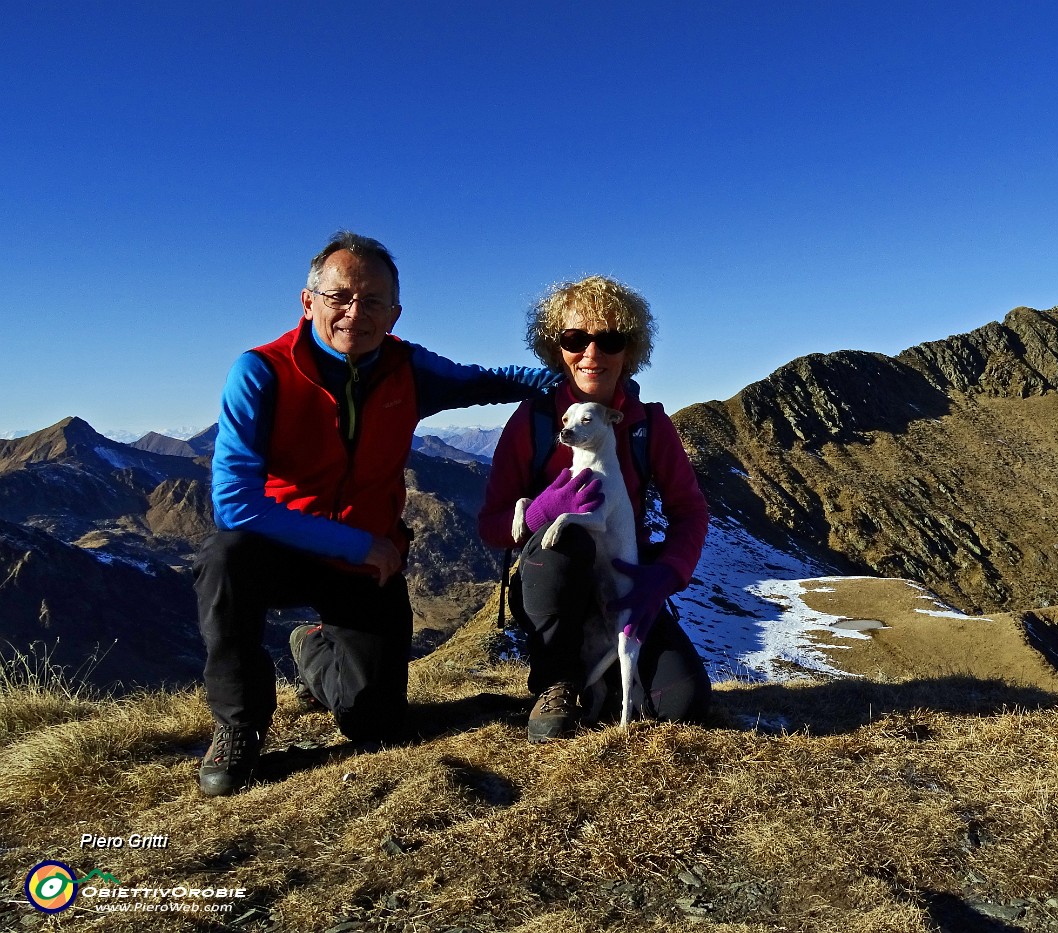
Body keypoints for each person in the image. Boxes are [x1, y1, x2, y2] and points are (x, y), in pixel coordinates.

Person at [195, 231, 557, 796]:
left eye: (373, 302)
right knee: (225, 558)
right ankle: (239, 726)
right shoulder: (261, 372)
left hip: (368, 563)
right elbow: (235, 504)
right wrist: (359, 545)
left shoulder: (409, 369)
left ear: (395, 314)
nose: (355, 313)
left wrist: (588, 375)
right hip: (294, 547)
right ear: (308, 300)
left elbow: (497, 380)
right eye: (340, 296)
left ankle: (311, 644)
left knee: (377, 726)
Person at [478, 275, 711, 742]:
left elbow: (690, 511)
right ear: (555, 346)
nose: (591, 353)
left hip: (625, 585)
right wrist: (542, 511)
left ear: (630, 350)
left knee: (683, 703)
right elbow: (491, 524)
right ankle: (556, 680)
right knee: (564, 542)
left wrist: (665, 574)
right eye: (574, 338)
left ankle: (604, 676)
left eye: (610, 339)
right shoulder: (534, 421)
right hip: (553, 582)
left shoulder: (649, 425)